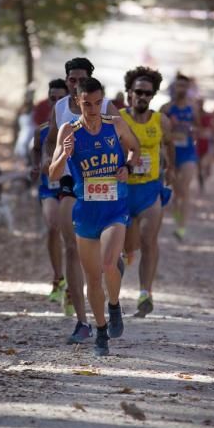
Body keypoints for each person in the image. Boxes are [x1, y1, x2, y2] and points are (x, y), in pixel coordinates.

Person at [49, 77, 140, 357]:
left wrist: (126, 166)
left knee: (108, 263)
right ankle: (101, 331)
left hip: (115, 207)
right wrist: (64, 155)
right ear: (76, 101)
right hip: (86, 211)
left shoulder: (115, 124)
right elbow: (52, 174)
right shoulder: (68, 130)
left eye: (97, 103)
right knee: (92, 279)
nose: (92, 109)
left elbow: (136, 149)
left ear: (103, 101)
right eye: (86, 103)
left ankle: (114, 306)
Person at [45, 57, 121, 344]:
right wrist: (46, 160)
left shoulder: (105, 107)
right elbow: (51, 140)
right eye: (71, 80)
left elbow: (123, 137)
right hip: (72, 182)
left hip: (104, 182)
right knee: (72, 249)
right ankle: (82, 321)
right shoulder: (60, 108)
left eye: (80, 79)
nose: (75, 84)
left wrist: (125, 164)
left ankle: (111, 287)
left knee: (106, 258)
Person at [120, 67, 174, 318]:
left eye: (148, 94)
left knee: (148, 240)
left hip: (151, 189)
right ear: (129, 92)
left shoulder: (160, 121)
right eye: (138, 92)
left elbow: (170, 144)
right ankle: (114, 294)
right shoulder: (119, 119)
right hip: (122, 190)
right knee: (127, 247)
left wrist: (170, 170)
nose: (143, 97)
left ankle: (145, 293)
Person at [30, 79, 68, 304]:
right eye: (52, 98)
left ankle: (73, 283)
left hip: (72, 188)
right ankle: (58, 277)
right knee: (53, 227)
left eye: (59, 99)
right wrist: (36, 165)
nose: (55, 103)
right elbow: (36, 150)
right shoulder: (42, 131)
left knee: (74, 236)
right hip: (49, 188)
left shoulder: (76, 127)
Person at [161, 73, 199, 240]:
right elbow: (159, 132)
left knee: (185, 189)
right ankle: (178, 216)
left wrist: (191, 131)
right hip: (172, 154)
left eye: (183, 86)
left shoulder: (193, 108)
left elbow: (198, 128)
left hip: (188, 153)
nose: (180, 89)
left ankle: (182, 228)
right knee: (177, 192)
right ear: (173, 88)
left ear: (188, 89)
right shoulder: (166, 109)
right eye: (177, 86)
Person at [196, 97, 214, 192]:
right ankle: (201, 181)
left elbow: (213, 126)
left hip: (206, 141)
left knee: (206, 163)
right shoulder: (194, 116)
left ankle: (204, 176)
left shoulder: (208, 115)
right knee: (199, 164)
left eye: (201, 103)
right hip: (198, 142)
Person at [14, 91, 36, 167]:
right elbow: (16, 123)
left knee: (29, 147)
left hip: (32, 131)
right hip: (23, 132)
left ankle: (29, 164)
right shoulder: (21, 109)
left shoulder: (34, 108)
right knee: (21, 148)